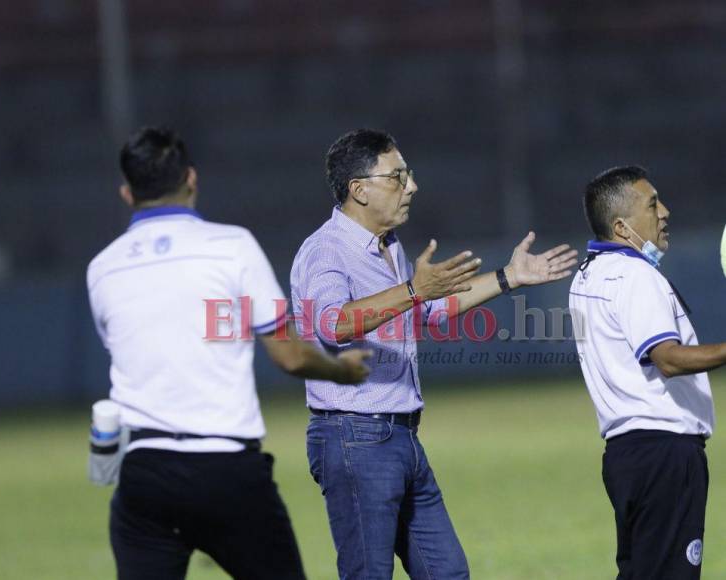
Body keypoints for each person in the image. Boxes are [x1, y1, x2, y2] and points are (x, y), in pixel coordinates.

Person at [290, 128, 578, 579]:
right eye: (398, 176)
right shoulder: (326, 250)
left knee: (448, 574)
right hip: (355, 438)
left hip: (400, 437)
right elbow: (333, 325)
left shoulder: (388, 248)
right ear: (359, 190)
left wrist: (509, 277)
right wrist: (411, 290)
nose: (412, 186)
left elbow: (426, 312)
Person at [86, 126, 371, 580]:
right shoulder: (232, 247)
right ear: (192, 178)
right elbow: (290, 356)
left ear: (126, 193)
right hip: (225, 469)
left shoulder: (101, 269)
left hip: (143, 473)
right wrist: (340, 369)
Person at [569, 166, 717, 579]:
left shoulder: (588, 275)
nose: (665, 212)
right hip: (665, 453)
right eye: (653, 204)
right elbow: (668, 359)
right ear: (621, 226)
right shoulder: (636, 274)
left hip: (626, 455)